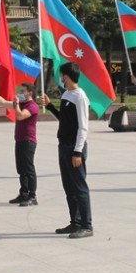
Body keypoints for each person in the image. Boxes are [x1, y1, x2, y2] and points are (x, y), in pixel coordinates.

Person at [41, 62, 92, 239]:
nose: (61, 78)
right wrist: (50, 106)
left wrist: (78, 152)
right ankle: (75, 222)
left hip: (74, 147)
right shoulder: (67, 95)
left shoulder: (80, 97)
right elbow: (65, 120)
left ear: (67, 77)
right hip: (63, 145)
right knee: (69, 186)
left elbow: (83, 127)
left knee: (79, 187)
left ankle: (86, 225)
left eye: (62, 75)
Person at [0, 81, 40, 206]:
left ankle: (32, 196)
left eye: (23, 91)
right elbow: (3, 103)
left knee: (29, 169)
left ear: (30, 93)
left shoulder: (32, 106)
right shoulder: (21, 104)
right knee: (21, 169)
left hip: (29, 141)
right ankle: (23, 193)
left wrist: (17, 105)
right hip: (20, 140)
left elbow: (21, 116)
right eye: (20, 91)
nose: (20, 93)